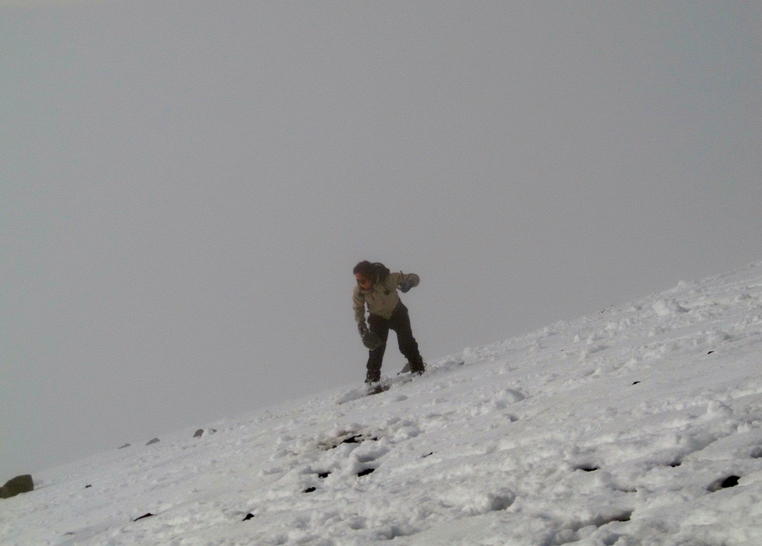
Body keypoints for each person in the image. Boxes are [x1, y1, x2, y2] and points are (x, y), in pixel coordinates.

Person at [352, 261, 426, 385]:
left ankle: (417, 366)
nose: (360, 283)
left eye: (363, 280)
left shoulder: (388, 279)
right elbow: (358, 308)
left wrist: (409, 283)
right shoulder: (358, 291)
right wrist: (361, 326)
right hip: (378, 318)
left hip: (398, 313)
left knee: (406, 341)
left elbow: (414, 277)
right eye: (358, 281)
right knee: (376, 348)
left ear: (370, 276)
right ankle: (372, 379)